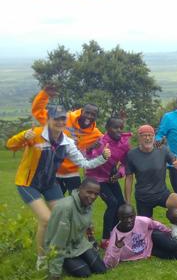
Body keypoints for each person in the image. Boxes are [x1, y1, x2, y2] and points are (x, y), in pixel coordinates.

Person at [7, 104, 110, 268]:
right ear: (48, 119)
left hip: (49, 184)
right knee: (46, 219)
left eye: (63, 118)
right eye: (56, 118)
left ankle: (63, 249)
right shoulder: (36, 134)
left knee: (64, 215)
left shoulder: (67, 142)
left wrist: (103, 158)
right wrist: (23, 138)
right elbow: (10, 145)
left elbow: (84, 163)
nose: (60, 122)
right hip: (28, 183)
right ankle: (42, 259)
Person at [31, 85, 102, 195]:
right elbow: (38, 112)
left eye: (93, 115)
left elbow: (110, 143)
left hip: (72, 173)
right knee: (55, 202)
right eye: (87, 112)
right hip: (53, 170)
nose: (89, 116)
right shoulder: (64, 118)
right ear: (81, 111)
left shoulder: (96, 134)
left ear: (96, 117)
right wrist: (44, 95)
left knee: (77, 201)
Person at [44, 178, 107, 280]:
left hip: (78, 243)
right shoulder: (66, 208)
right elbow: (58, 242)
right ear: (80, 189)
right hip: (63, 247)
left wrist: (91, 240)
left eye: (96, 194)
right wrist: (55, 272)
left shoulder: (87, 203)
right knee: (85, 273)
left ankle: (79, 259)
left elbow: (86, 224)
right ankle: (64, 263)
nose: (92, 196)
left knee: (101, 269)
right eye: (89, 192)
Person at [124, 125, 177, 218]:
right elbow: (129, 178)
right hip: (143, 197)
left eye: (150, 135)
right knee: (147, 227)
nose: (147, 138)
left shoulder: (162, 149)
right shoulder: (132, 155)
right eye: (144, 135)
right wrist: (127, 202)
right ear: (139, 137)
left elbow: (175, 161)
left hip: (162, 193)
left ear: (154, 137)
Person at [85, 116, 131, 248]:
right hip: (95, 178)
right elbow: (89, 160)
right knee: (112, 203)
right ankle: (105, 238)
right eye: (115, 127)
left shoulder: (124, 143)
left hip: (111, 177)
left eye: (121, 128)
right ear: (107, 128)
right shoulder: (101, 142)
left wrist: (119, 173)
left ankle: (117, 233)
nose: (118, 130)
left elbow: (125, 163)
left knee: (121, 204)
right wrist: (89, 150)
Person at [103, 204, 177, 268]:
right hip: (149, 251)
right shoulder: (116, 236)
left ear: (135, 215)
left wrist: (169, 232)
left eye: (131, 217)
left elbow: (156, 225)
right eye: (125, 218)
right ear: (119, 218)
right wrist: (117, 248)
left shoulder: (141, 220)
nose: (129, 220)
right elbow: (108, 264)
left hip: (152, 238)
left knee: (173, 245)